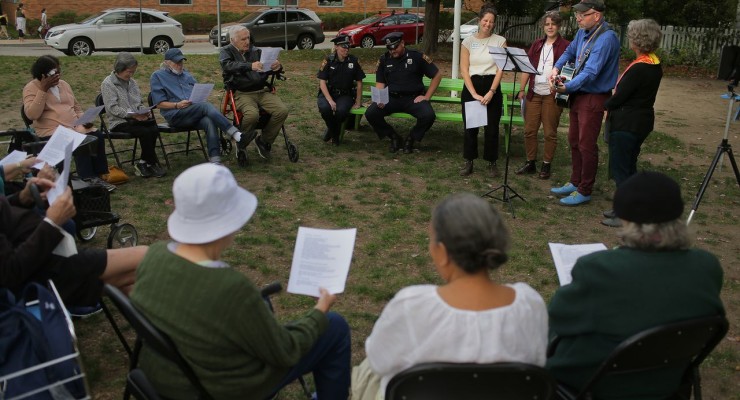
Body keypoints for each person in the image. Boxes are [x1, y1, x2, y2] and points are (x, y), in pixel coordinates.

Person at [129, 164, 352, 400]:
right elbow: (286, 350)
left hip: (166, 376)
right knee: (334, 326)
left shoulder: (154, 255)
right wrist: (320, 310)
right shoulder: (230, 287)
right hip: (219, 388)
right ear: (230, 222)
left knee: (262, 306)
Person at [547, 171, 725, 399]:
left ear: (627, 220)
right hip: (668, 380)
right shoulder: (707, 266)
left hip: (595, 384)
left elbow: (559, 320)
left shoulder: (599, 269)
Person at [352, 192, 548, 400]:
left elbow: (378, 360)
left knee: (366, 372)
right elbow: (537, 361)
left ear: (443, 253)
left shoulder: (411, 307)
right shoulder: (530, 304)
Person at [0, 173, 146, 308]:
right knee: (148, 259)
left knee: (127, 280)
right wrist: (52, 223)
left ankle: (158, 329)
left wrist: (22, 198)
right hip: (40, 273)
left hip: (45, 256)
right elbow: (9, 273)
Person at [549, 0, 620, 206]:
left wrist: (567, 88)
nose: (578, 18)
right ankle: (575, 181)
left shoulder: (606, 38)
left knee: (586, 144)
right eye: (577, 15)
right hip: (579, 94)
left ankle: (585, 189)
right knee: (573, 140)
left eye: (583, 15)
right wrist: (556, 68)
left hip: (594, 97)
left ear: (596, 15)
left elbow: (591, 72)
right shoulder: (582, 32)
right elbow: (569, 52)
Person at [601, 19, 663, 227]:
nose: (629, 39)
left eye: (631, 35)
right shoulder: (654, 63)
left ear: (637, 39)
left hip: (627, 123)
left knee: (622, 169)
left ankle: (626, 214)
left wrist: (605, 103)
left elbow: (620, 97)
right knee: (628, 165)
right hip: (641, 121)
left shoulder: (639, 69)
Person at [22, 55, 114, 191]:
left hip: (74, 126)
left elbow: (76, 107)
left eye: (59, 71)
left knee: (97, 136)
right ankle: (87, 178)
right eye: (54, 73)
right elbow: (32, 115)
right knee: (81, 142)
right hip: (51, 131)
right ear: (44, 74)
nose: (58, 76)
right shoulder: (31, 88)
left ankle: (99, 175)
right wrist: (43, 90)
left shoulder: (64, 85)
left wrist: (84, 119)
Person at [150, 48, 249, 165]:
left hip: (193, 111)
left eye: (181, 62)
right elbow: (159, 103)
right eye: (177, 63)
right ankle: (236, 134)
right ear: (167, 63)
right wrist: (177, 105)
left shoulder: (186, 74)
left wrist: (199, 96)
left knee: (209, 121)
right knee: (205, 107)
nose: (180, 65)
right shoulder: (157, 76)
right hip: (175, 115)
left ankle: (215, 160)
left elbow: (196, 92)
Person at [219, 26, 289, 162]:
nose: (247, 42)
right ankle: (242, 142)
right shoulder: (226, 52)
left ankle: (264, 140)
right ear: (233, 40)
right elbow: (228, 66)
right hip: (241, 92)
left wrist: (277, 67)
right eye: (243, 39)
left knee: (282, 110)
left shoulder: (257, 51)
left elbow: (269, 69)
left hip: (261, 90)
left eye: (248, 38)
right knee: (252, 115)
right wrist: (249, 66)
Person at [365, 31, 442, 154]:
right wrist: (380, 98)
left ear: (402, 43)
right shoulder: (384, 60)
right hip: (392, 98)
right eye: (389, 48)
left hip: (413, 98)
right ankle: (393, 136)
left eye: (395, 47)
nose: (392, 51)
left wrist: (427, 96)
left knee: (428, 115)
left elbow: (437, 75)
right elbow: (380, 82)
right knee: (371, 113)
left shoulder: (417, 57)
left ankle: (411, 138)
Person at [515, 11, 570, 180]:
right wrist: (522, 88)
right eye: (547, 24)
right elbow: (527, 67)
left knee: (549, 133)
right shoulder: (537, 44)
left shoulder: (566, 46)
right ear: (543, 27)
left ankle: (546, 164)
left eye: (553, 24)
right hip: (534, 93)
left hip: (552, 95)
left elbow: (569, 70)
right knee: (530, 130)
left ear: (559, 26)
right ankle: (530, 162)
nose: (550, 27)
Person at [458, 4, 506, 177]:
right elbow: (464, 69)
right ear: (479, 21)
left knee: (492, 128)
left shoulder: (500, 41)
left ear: (494, 24)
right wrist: (473, 94)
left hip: (492, 86)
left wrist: (492, 91)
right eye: (485, 20)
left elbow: (501, 68)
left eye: (491, 22)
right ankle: (469, 161)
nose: (488, 24)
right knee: (471, 127)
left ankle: (492, 162)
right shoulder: (468, 42)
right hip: (472, 86)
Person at [101, 52, 166, 178]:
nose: (131, 75)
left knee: (153, 127)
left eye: (133, 72)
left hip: (135, 119)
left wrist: (144, 111)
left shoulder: (132, 83)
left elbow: (138, 103)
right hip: (119, 121)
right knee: (145, 132)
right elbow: (112, 108)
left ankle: (143, 162)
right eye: (129, 72)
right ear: (119, 69)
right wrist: (132, 115)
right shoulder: (108, 84)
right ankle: (150, 163)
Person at [316, 34, 366, 146]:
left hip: (345, 94)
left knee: (341, 111)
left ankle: (332, 132)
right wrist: (330, 100)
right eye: (343, 47)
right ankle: (335, 134)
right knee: (325, 109)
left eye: (348, 46)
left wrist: (358, 101)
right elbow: (322, 82)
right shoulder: (329, 60)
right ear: (336, 47)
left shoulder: (354, 61)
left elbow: (359, 82)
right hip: (329, 93)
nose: (346, 49)